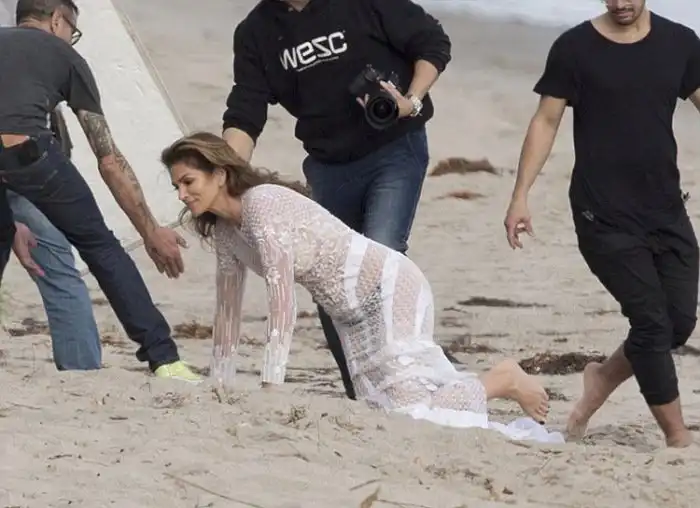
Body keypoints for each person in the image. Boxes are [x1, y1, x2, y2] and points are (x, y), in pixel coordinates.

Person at [161, 131, 554, 441]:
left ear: (220, 174)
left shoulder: (262, 204)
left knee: (412, 414)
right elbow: (227, 312)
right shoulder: (226, 232)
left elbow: (282, 302)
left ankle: (501, 379)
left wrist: (270, 387)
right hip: (348, 315)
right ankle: (491, 383)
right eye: (176, 185)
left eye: (189, 181)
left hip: (388, 288)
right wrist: (219, 385)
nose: (182, 194)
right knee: (387, 416)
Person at [221, 0, 451, 400]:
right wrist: (221, 176)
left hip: (395, 147)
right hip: (328, 165)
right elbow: (245, 113)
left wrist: (410, 100)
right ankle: (360, 390)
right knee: (327, 277)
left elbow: (432, 43)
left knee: (382, 254)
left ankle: (405, 380)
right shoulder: (256, 31)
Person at [503, 0, 700, 448]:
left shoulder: (680, 43)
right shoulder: (574, 48)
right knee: (651, 324)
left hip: (666, 208)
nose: (620, 3)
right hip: (602, 213)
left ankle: (602, 378)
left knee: (677, 322)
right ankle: (677, 437)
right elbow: (546, 121)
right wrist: (520, 196)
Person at [0, 0, 199, 381]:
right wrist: (149, 230)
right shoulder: (65, 56)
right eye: (71, 30)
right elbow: (108, 160)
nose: (70, 39)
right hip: (30, 155)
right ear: (57, 19)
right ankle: (163, 357)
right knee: (100, 245)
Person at [9, 106, 101, 370]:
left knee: (59, 277)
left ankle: (81, 372)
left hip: (32, 169)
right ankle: (81, 371)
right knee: (60, 278)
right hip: (36, 168)